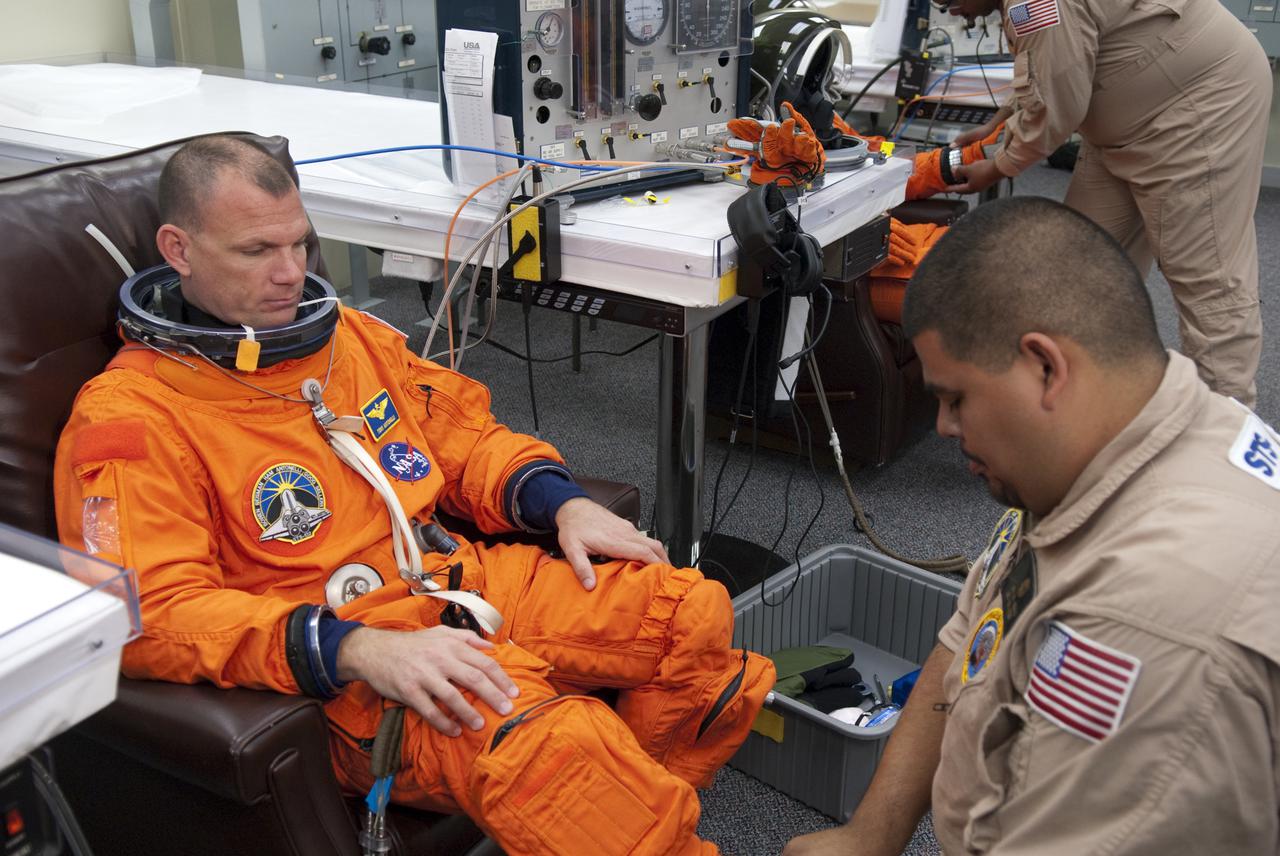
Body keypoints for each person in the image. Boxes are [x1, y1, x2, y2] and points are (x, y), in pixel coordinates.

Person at [53, 135, 774, 856]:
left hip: (454, 580)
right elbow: (151, 613)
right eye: (255, 251)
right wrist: (354, 648)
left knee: (688, 614)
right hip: (348, 668)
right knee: (553, 750)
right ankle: (607, 816)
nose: (289, 272)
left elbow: (465, 436)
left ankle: (615, 815)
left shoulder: (352, 340)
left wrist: (562, 503)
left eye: (300, 244)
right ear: (178, 250)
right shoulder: (131, 417)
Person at [785, 196, 1280, 855]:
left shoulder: (1147, 627)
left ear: (1045, 367)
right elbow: (973, 640)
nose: (944, 428)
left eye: (956, 398)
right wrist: (871, 835)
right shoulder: (1110, 441)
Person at [940, 0, 1271, 407]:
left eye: (949, 0)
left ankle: (1225, 438)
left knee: (1208, 278)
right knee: (1083, 267)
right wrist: (1000, 123)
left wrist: (999, 167)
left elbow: (1057, 105)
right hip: (1124, 122)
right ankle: (1093, 410)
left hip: (1199, 105)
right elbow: (1051, 66)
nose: (954, 12)